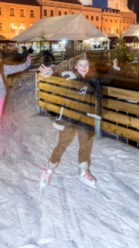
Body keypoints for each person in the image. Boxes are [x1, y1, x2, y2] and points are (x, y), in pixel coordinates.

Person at [38, 54, 119, 190]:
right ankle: (49, 169)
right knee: (62, 144)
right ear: (76, 66)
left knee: (85, 145)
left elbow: (105, 80)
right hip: (69, 117)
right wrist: (50, 73)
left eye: (86, 65)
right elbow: (60, 77)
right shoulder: (70, 76)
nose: (83, 68)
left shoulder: (92, 79)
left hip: (86, 118)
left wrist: (115, 68)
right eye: (80, 65)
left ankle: (83, 172)